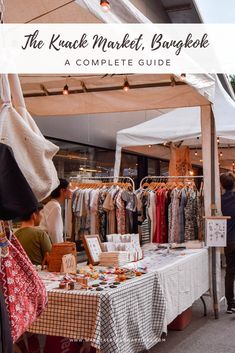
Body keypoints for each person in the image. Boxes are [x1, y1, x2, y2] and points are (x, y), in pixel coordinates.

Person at [220, 172, 235, 313]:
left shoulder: (219, 200)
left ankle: (231, 304)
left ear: (222, 185)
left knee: (229, 272)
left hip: (228, 239)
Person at [40, 178, 70, 244]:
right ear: (62, 190)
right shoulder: (55, 206)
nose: (71, 191)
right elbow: (55, 232)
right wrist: (60, 248)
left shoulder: (52, 204)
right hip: (49, 245)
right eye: (68, 188)